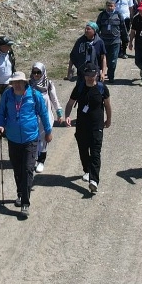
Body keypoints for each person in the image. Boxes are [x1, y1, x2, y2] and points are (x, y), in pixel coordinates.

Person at [0, 72, 53, 216]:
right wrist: (0, 125)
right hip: (13, 139)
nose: (18, 85)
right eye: (15, 82)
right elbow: (1, 113)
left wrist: (48, 131)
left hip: (31, 139)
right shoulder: (7, 95)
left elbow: (44, 113)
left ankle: (25, 203)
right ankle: (20, 193)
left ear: (25, 82)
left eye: (20, 82)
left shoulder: (34, 95)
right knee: (17, 169)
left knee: (27, 169)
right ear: (12, 83)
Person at [63, 65, 111, 195]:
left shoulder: (102, 88)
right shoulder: (79, 87)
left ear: (97, 75)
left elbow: (107, 105)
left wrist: (109, 120)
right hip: (82, 127)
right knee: (83, 151)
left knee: (95, 153)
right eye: (87, 75)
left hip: (97, 127)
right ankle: (87, 170)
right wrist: (67, 116)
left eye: (92, 75)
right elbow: (70, 104)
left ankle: (94, 180)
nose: (90, 78)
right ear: (84, 75)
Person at [29, 63, 63, 172]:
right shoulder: (29, 84)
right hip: (32, 116)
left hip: (45, 117)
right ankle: (32, 158)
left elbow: (54, 99)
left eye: (39, 72)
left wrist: (59, 113)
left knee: (43, 140)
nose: (36, 75)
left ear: (43, 72)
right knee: (32, 138)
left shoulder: (48, 84)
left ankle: (41, 161)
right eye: (34, 72)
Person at [94, 0, 124, 82]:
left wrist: (125, 39)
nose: (110, 8)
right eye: (108, 6)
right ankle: (101, 74)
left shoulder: (118, 15)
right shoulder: (102, 15)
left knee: (113, 61)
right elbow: (97, 28)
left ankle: (111, 77)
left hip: (115, 41)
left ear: (115, 6)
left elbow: (123, 28)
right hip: (103, 41)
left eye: (111, 6)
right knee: (102, 59)